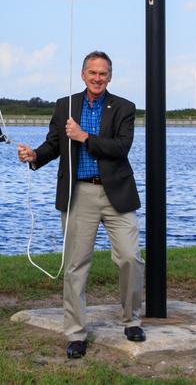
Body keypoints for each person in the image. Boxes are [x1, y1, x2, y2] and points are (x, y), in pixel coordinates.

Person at [17, 51, 145, 359]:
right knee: (75, 266)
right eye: (92, 72)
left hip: (116, 193)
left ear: (110, 77)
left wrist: (84, 136)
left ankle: (132, 321)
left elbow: (120, 148)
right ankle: (75, 334)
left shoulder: (125, 108)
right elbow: (55, 144)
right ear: (83, 74)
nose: (97, 78)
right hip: (79, 195)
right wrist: (35, 156)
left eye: (103, 73)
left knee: (130, 258)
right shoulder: (66, 105)